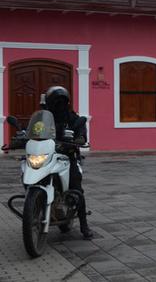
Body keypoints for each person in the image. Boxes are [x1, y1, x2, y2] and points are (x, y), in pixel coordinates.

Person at [44, 86, 93, 239]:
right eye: (55, 101)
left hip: (68, 157)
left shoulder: (72, 118)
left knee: (77, 189)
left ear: (67, 102)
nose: (59, 104)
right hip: (47, 157)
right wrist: (22, 135)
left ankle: (84, 225)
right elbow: (33, 130)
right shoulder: (44, 118)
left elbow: (81, 131)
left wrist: (80, 138)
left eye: (62, 101)